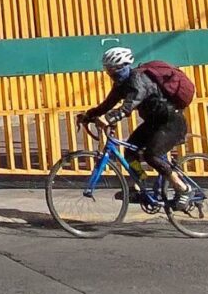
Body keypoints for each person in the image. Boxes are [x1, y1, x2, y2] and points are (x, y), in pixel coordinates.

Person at [77, 46, 192, 211]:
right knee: (130, 153)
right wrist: (88, 116)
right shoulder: (121, 84)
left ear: (124, 66)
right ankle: (141, 186)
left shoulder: (138, 79)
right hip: (154, 122)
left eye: (114, 69)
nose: (110, 74)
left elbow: (129, 105)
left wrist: (109, 118)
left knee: (152, 155)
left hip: (171, 122)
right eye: (108, 70)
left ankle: (183, 189)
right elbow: (107, 104)